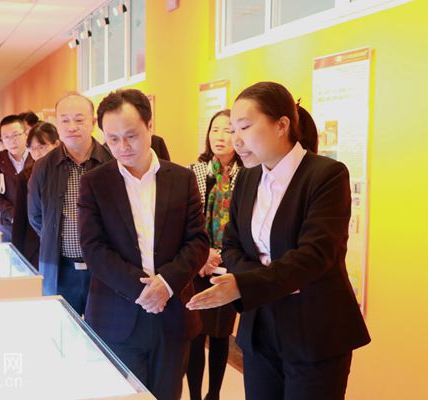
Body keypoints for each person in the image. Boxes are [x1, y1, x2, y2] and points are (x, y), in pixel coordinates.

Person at [187, 82, 371, 400]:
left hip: (314, 332)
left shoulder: (326, 175)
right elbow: (232, 245)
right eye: (233, 129)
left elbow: (314, 256)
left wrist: (243, 284)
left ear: (282, 125)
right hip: (259, 330)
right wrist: (251, 282)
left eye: (245, 127)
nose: (236, 139)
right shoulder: (248, 177)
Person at [78, 89, 208, 400]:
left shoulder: (182, 178)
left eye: (131, 136)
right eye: (112, 139)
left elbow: (197, 241)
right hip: (116, 314)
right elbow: (94, 248)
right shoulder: (95, 182)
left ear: (150, 126)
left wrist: (166, 283)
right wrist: (144, 291)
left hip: (172, 315)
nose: (122, 147)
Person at [28, 93, 113, 314]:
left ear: (93, 122)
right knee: (61, 326)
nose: (72, 126)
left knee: (103, 328)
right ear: (57, 124)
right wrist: (55, 237)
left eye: (79, 119)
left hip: (104, 268)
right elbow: (36, 216)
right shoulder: (43, 166)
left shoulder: (112, 162)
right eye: (65, 120)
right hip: (59, 268)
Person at [186, 109, 241, 400]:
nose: (220, 136)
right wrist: (203, 254)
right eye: (215, 129)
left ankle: (214, 394)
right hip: (196, 265)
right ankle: (195, 395)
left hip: (227, 266)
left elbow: (244, 225)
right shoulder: (194, 172)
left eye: (228, 130)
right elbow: (186, 220)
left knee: (220, 335)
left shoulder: (247, 175)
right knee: (195, 335)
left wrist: (219, 255)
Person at [12, 121, 60, 267]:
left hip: (64, 246)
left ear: (57, 144)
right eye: (32, 149)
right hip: (34, 247)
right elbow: (20, 217)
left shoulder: (67, 173)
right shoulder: (26, 175)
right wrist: (16, 254)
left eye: (42, 147)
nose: (37, 153)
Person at [0, 115, 31, 242]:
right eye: (6, 137)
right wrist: (13, 214)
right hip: (8, 223)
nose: (11, 141)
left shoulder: (37, 157)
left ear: (26, 134)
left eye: (16, 135)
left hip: (35, 223)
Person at [104, 133, 171, 161]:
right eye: (114, 139)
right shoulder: (106, 149)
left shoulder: (156, 142)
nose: (123, 147)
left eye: (131, 136)